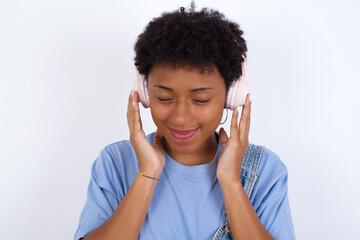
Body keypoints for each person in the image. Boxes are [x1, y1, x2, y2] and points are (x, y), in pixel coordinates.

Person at [74, 3, 296, 240]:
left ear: (231, 97)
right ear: (145, 93)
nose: (180, 117)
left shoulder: (265, 171)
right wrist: (147, 174)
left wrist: (231, 182)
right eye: (164, 98)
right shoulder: (115, 163)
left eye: (200, 99)